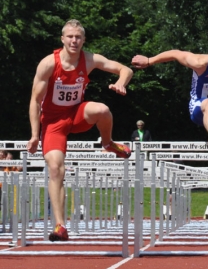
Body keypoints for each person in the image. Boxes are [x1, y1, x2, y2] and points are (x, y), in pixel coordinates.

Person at [27, 19, 133, 242]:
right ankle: (60, 225)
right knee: (56, 169)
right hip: (53, 123)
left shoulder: (89, 59)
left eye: (78, 37)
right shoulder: (48, 64)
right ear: (62, 39)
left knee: (103, 109)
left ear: (84, 40)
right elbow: (35, 101)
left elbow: (125, 68)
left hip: (76, 115)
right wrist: (35, 135)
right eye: (70, 37)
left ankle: (108, 143)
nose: (74, 41)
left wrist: (121, 82)